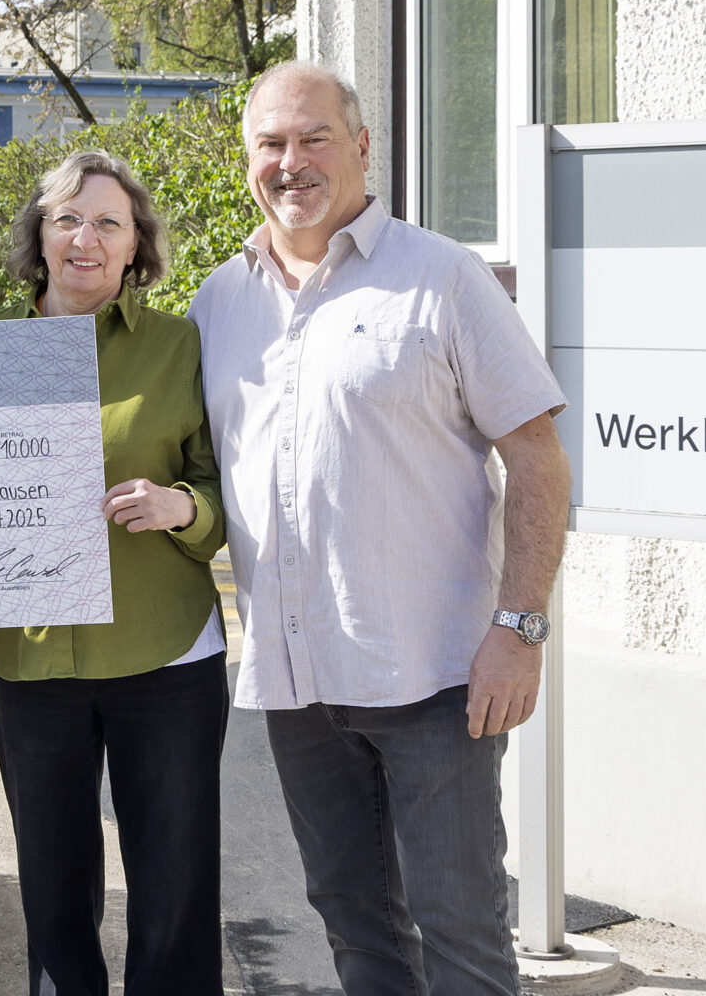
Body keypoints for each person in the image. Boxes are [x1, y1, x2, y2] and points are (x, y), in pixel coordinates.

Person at [187, 60, 572, 996]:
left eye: (314, 138)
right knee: (356, 930)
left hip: (437, 677)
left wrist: (520, 631)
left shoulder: (442, 277)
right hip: (297, 680)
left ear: (362, 147)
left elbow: (538, 460)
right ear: (247, 160)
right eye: (270, 144)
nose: (291, 162)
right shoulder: (219, 301)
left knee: (462, 934)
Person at [0, 151, 228, 995]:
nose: (85, 238)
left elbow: (220, 488)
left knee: (173, 888)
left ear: (135, 247)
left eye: (108, 223)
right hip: (33, 655)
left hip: (165, 654)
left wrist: (181, 507)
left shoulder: (178, 346)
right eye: (68, 219)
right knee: (52, 890)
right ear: (40, 236)